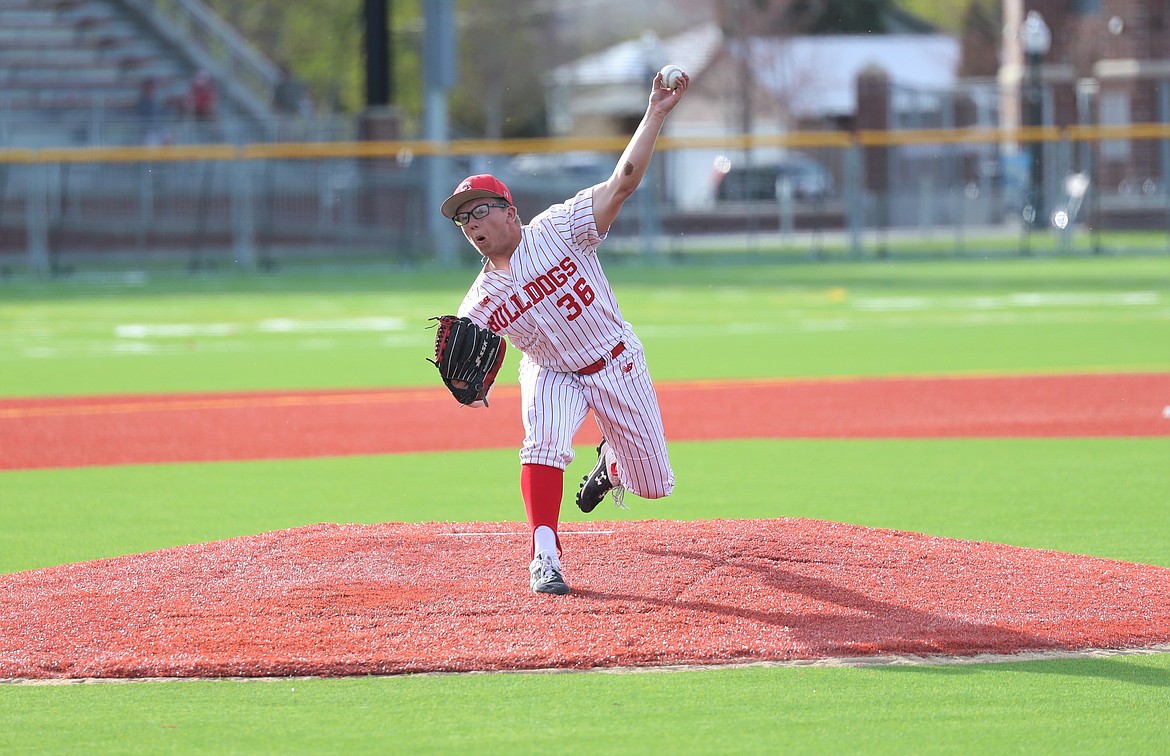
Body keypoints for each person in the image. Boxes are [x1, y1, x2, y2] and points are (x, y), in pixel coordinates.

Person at [438, 67, 689, 595]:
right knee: (542, 443)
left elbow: (623, 182)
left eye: (480, 211)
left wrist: (655, 113)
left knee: (654, 487)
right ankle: (544, 555)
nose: (474, 226)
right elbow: (465, 364)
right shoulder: (480, 300)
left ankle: (612, 465)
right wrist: (459, 381)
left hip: (616, 359)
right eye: (464, 222)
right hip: (552, 373)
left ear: (511, 211)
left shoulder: (560, 227)